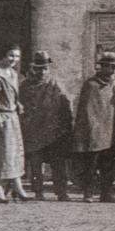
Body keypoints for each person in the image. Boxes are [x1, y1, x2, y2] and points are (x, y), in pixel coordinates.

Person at [72, 52, 115, 202]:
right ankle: (88, 192)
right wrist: (91, 129)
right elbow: (87, 110)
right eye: (112, 67)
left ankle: (106, 192)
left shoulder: (113, 86)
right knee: (91, 163)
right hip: (95, 132)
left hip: (111, 132)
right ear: (103, 67)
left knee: (109, 164)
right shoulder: (91, 85)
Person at [20, 51, 73, 201]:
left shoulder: (56, 84)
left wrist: (66, 124)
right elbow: (19, 105)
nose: (41, 72)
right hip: (33, 130)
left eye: (44, 68)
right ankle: (38, 192)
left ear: (48, 69)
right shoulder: (24, 86)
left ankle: (61, 192)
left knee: (58, 163)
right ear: (33, 68)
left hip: (53, 131)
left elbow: (66, 104)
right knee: (36, 164)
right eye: (38, 68)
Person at [0, 45, 30, 203]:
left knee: (14, 153)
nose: (14, 60)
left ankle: (17, 186)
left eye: (17, 57)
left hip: (12, 117)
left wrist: (18, 104)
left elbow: (12, 95)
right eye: (11, 56)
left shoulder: (13, 73)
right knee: (1, 154)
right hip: (2, 118)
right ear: (4, 55)